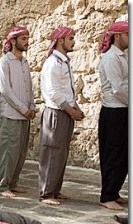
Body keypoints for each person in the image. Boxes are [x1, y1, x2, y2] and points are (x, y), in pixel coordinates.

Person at [39, 26, 84, 206]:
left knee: (61, 152)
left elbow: (67, 90)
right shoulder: (52, 63)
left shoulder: (64, 62)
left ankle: (54, 189)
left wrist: (76, 106)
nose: (73, 42)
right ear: (60, 41)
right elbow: (53, 92)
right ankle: (46, 193)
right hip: (57, 113)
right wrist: (70, 110)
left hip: (65, 111)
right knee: (52, 152)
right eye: (71, 38)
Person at [0, 26, 36, 198]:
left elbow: (29, 88)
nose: (27, 41)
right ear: (12, 41)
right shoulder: (4, 63)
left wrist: (31, 106)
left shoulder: (24, 62)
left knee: (20, 151)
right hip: (12, 113)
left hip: (25, 114)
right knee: (8, 150)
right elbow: (6, 90)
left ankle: (13, 182)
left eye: (27, 38)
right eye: (23, 38)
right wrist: (23, 109)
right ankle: (2, 185)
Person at [97, 21, 129, 210]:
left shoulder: (123, 56)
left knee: (124, 154)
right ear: (117, 36)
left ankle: (114, 191)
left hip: (124, 109)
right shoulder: (110, 58)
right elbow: (118, 88)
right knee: (113, 153)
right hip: (114, 111)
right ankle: (107, 195)